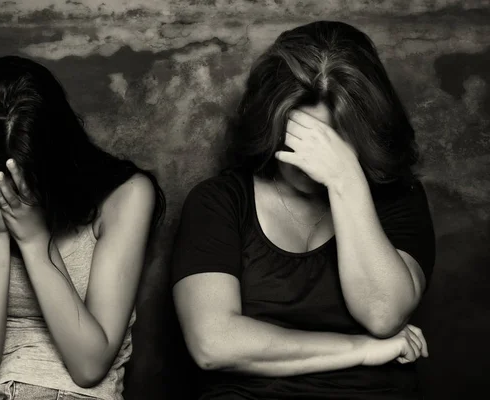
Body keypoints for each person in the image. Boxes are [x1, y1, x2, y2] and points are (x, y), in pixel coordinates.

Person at [171, 21, 435, 399]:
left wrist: (345, 179)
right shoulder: (220, 201)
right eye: (299, 138)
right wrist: (361, 350)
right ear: (269, 123)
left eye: (329, 143)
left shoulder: (399, 197)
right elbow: (213, 344)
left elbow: (383, 314)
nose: (310, 162)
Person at [0, 55, 164, 400]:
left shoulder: (125, 196)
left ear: (57, 160)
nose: (9, 196)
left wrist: (35, 241)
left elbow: (89, 366)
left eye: (25, 181)